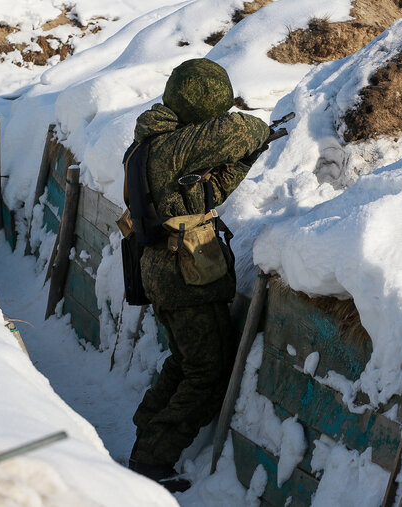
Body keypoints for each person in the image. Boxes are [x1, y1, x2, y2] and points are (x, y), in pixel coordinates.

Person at [125, 58, 270, 492]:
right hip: (182, 275)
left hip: (168, 271)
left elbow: (203, 193)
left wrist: (245, 161)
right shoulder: (172, 146)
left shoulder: (155, 143)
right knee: (206, 373)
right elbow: (241, 130)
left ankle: (146, 435)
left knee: (188, 362)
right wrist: (257, 137)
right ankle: (151, 462)